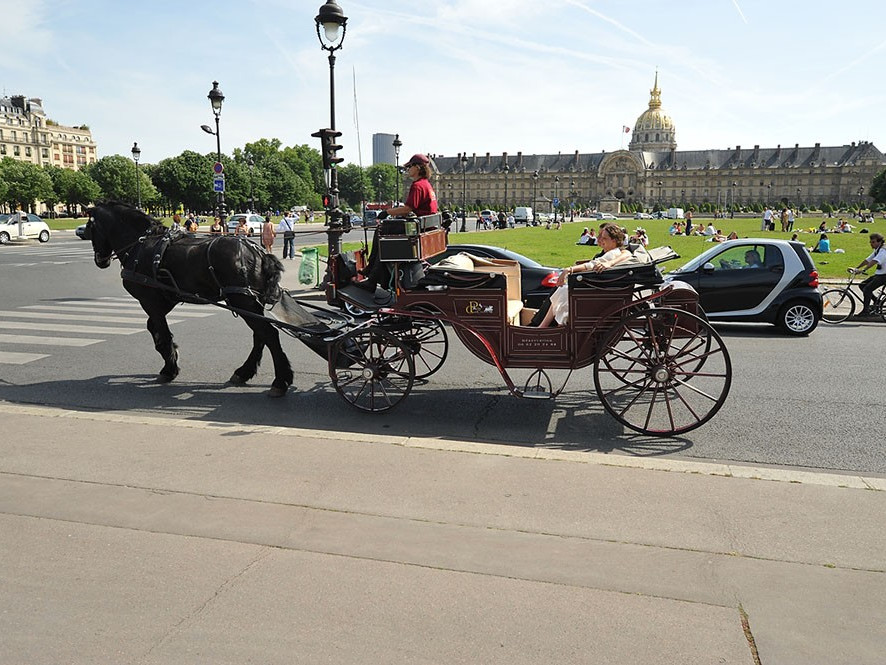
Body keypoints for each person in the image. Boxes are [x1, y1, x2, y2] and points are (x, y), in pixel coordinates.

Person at [356, 153, 438, 290]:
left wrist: (386, 212)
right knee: (386, 238)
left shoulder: (417, 185)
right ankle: (372, 272)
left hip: (417, 227)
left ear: (417, 167)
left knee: (382, 230)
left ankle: (371, 275)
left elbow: (408, 208)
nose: (408, 170)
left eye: (410, 166)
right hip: (424, 226)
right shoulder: (427, 185)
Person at [537, 224, 632, 327]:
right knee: (562, 291)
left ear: (614, 241)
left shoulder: (611, 254)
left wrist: (569, 270)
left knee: (562, 291)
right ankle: (544, 324)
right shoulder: (614, 252)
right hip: (600, 288)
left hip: (596, 291)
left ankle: (544, 325)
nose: (601, 240)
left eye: (604, 238)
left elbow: (591, 265)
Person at [851, 232, 886, 316]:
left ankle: (866, 311)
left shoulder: (883, 251)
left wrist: (863, 270)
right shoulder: (877, 250)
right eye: (870, 242)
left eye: (873, 242)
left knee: (867, 289)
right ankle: (876, 301)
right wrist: (857, 268)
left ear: (879, 242)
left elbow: (874, 261)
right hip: (880, 274)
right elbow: (868, 260)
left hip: (884, 275)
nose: (871, 243)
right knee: (862, 285)